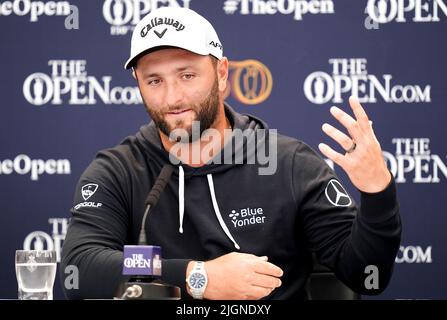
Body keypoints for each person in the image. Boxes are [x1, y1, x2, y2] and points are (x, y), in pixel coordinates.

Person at [61, 6, 401, 300]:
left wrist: (377, 191)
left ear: (222, 74)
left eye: (187, 75)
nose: (172, 97)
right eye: (154, 81)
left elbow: (366, 276)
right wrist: (199, 276)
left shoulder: (287, 163)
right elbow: (79, 269)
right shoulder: (119, 170)